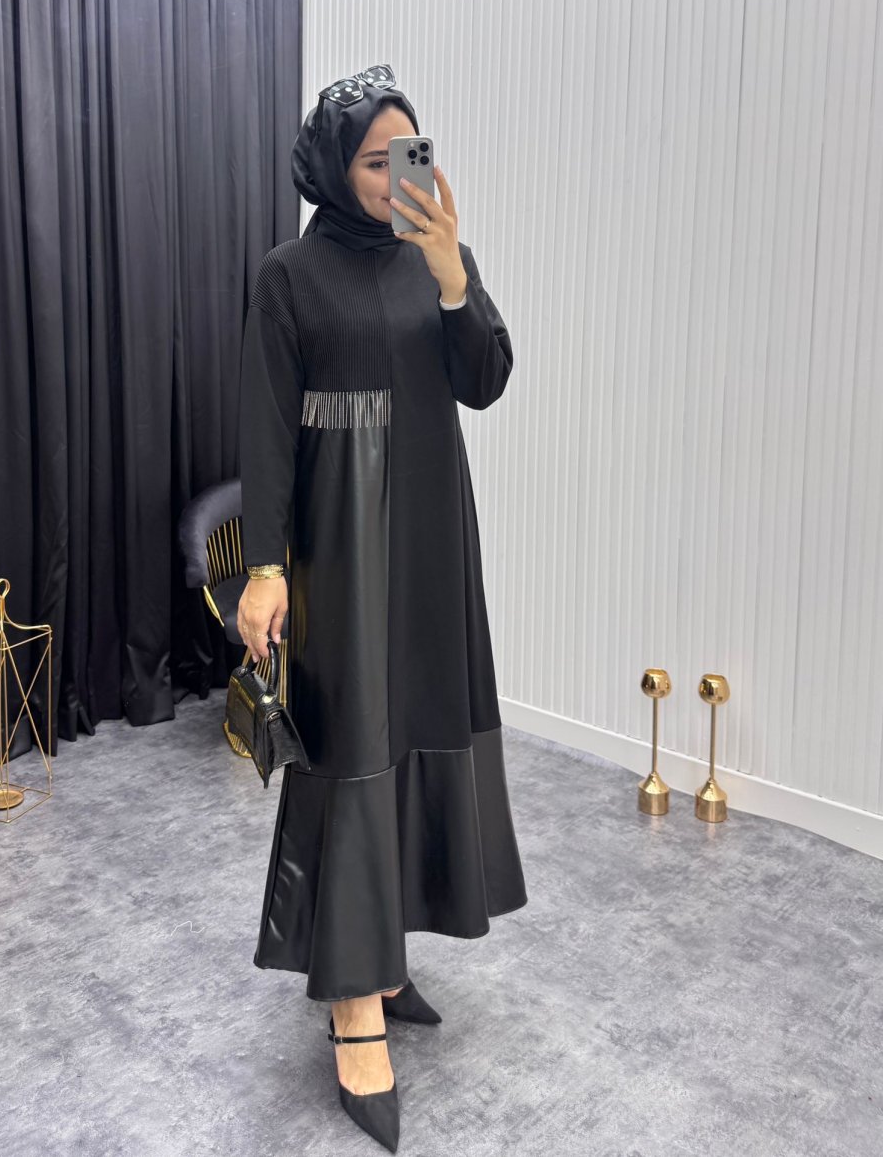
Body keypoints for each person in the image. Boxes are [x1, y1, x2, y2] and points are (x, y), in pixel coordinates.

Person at [236, 64, 527, 1152]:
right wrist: (265, 567)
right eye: (374, 160)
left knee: (414, 729)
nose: (398, 177)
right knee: (354, 744)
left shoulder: (436, 258)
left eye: (408, 154)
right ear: (331, 165)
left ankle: (385, 953)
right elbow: (267, 430)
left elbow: (484, 380)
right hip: (340, 545)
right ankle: (353, 1003)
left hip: (432, 538)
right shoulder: (288, 276)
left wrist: (454, 280)